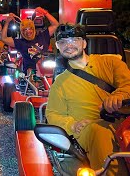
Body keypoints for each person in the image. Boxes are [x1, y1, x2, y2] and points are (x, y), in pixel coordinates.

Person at [46, 24, 130, 175]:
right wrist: (73, 125)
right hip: (89, 129)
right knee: (98, 131)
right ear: (58, 47)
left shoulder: (111, 63)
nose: (68, 45)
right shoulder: (59, 83)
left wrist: (119, 96)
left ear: (84, 43)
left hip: (122, 121)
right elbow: (52, 114)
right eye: (63, 42)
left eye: (74, 40)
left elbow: (127, 84)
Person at [0, 7, 59, 74]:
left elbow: (55, 25)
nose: (28, 32)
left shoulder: (43, 36)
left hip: (48, 71)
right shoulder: (20, 42)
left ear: (33, 28)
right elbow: (3, 38)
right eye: (25, 29)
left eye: (30, 28)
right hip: (31, 74)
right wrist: (7, 22)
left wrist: (45, 13)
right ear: (22, 31)